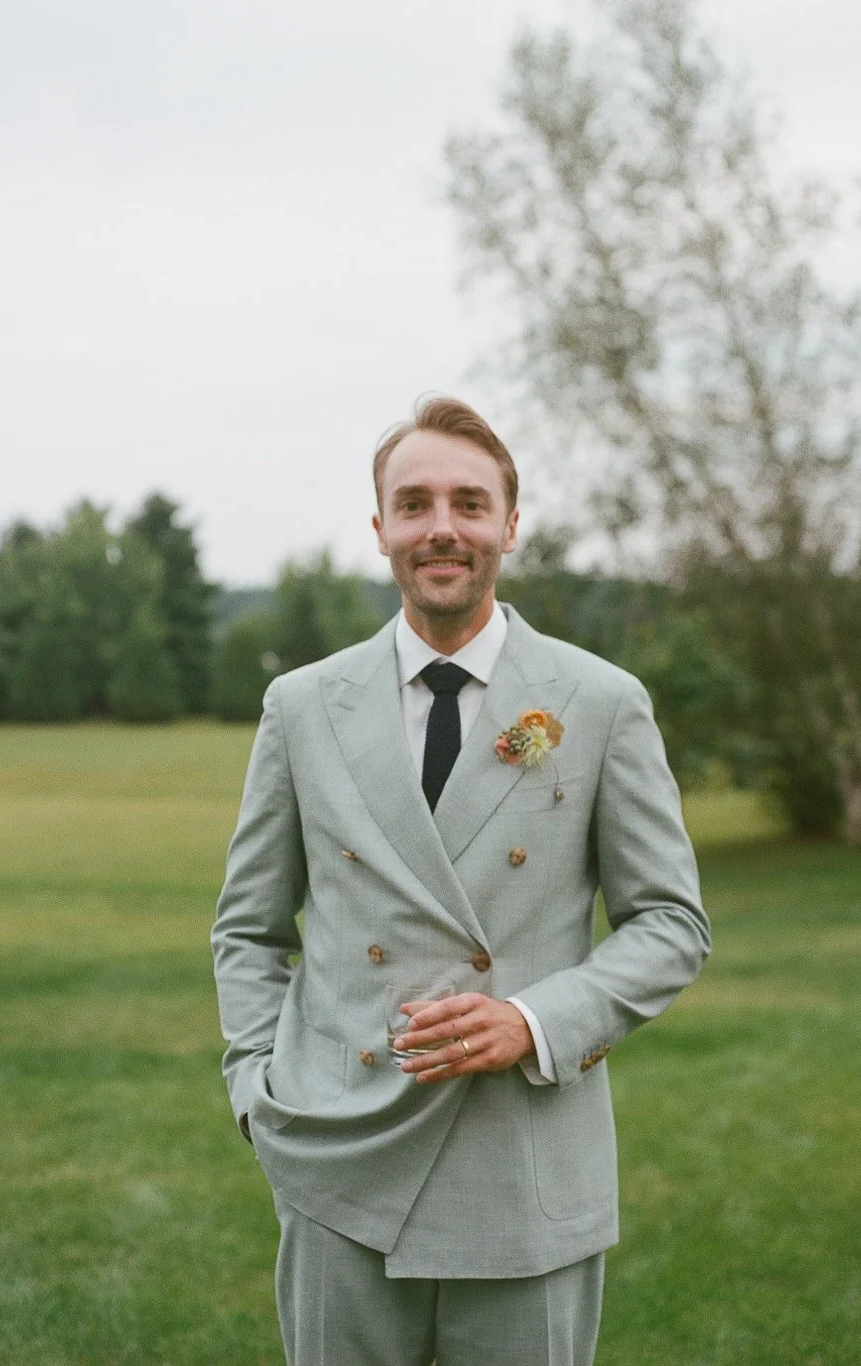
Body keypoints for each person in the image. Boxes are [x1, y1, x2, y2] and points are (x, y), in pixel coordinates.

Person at [211, 395, 710, 1366]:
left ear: (509, 526)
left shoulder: (600, 702)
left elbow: (670, 923)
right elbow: (247, 928)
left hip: (522, 1168)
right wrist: (254, 1087)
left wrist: (534, 1020)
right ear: (381, 529)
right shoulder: (300, 706)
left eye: (469, 504)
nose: (442, 527)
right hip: (337, 1166)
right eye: (415, 504)